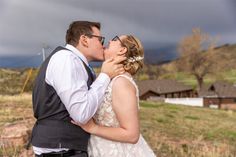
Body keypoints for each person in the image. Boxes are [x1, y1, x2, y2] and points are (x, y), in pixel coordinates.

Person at [31, 21, 126, 157]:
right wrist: (104, 76)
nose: (103, 45)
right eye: (100, 39)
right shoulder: (66, 59)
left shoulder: (76, 62)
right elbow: (81, 114)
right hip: (61, 151)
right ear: (84, 40)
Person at [73, 35, 156, 156]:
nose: (110, 41)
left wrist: (93, 128)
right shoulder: (110, 80)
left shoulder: (121, 83)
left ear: (122, 50)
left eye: (115, 39)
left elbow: (132, 135)